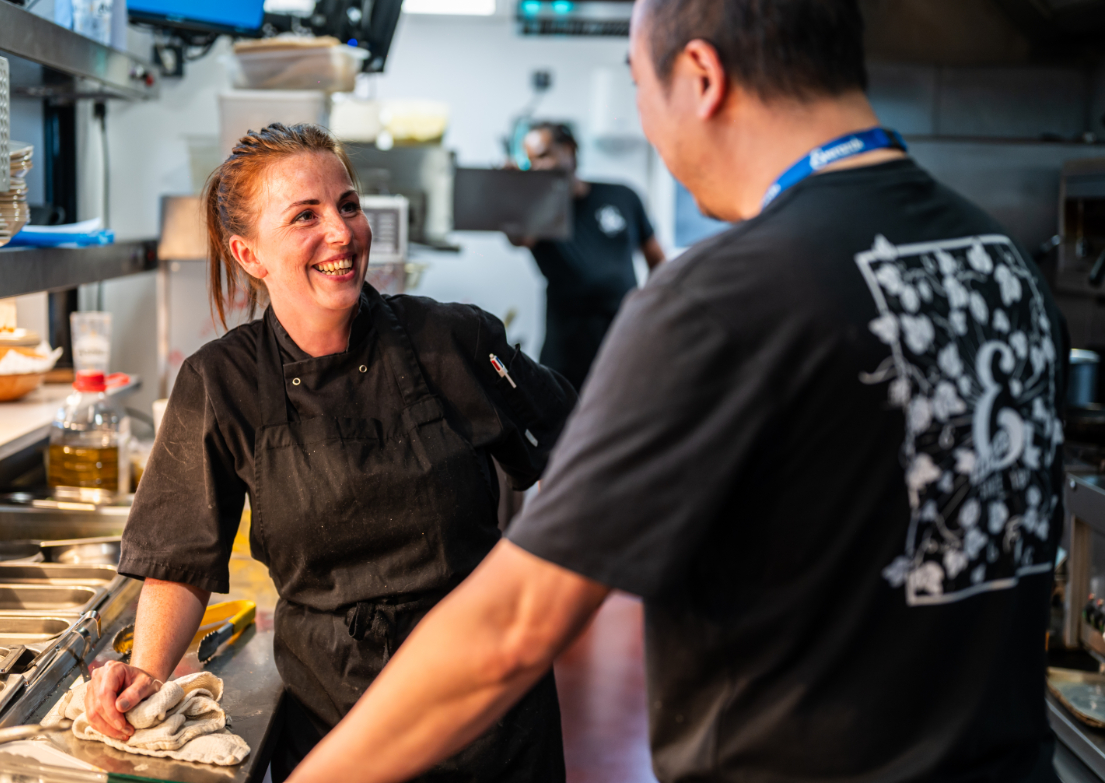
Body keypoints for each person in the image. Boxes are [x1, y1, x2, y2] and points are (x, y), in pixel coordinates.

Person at [282, 1, 1069, 782]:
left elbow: (512, 628)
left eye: (639, 85)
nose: (649, 122)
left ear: (700, 75)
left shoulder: (727, 297)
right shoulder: (1005, 264)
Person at [83, 123, 576, 782]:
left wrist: (525, 600)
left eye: (348, 205)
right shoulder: (221, 383)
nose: (342, 232)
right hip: (339, 719)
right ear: (249, 253)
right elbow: (179, 559)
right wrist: (146, 670)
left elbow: (579, 453)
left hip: (489, 715)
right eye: (305, 216)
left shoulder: (452, 339)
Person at [510, 122, 666, 390]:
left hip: (622, 333)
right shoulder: (539, 210)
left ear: (568, 150)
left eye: (544, 156)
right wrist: (516, 191)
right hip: (566, 345)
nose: (537, 167)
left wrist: (654, 307)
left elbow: (657, 259)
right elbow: (519, 239)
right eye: (531, 162)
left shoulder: (622, 196)